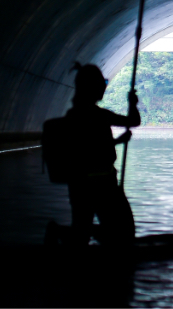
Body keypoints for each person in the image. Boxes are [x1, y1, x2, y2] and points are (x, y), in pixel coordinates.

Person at [47, 62, 140, 247]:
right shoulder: (100, 115)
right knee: (124, 232)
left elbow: (85, 149)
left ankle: (59, 232)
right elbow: (133, 121)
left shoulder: (73, 116)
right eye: (103, 82)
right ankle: (65, 233)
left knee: (80, 235)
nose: (104, 87)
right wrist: (132, 104)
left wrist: (117, 142)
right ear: (93, 87)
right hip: (103, 184)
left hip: (80, 184)